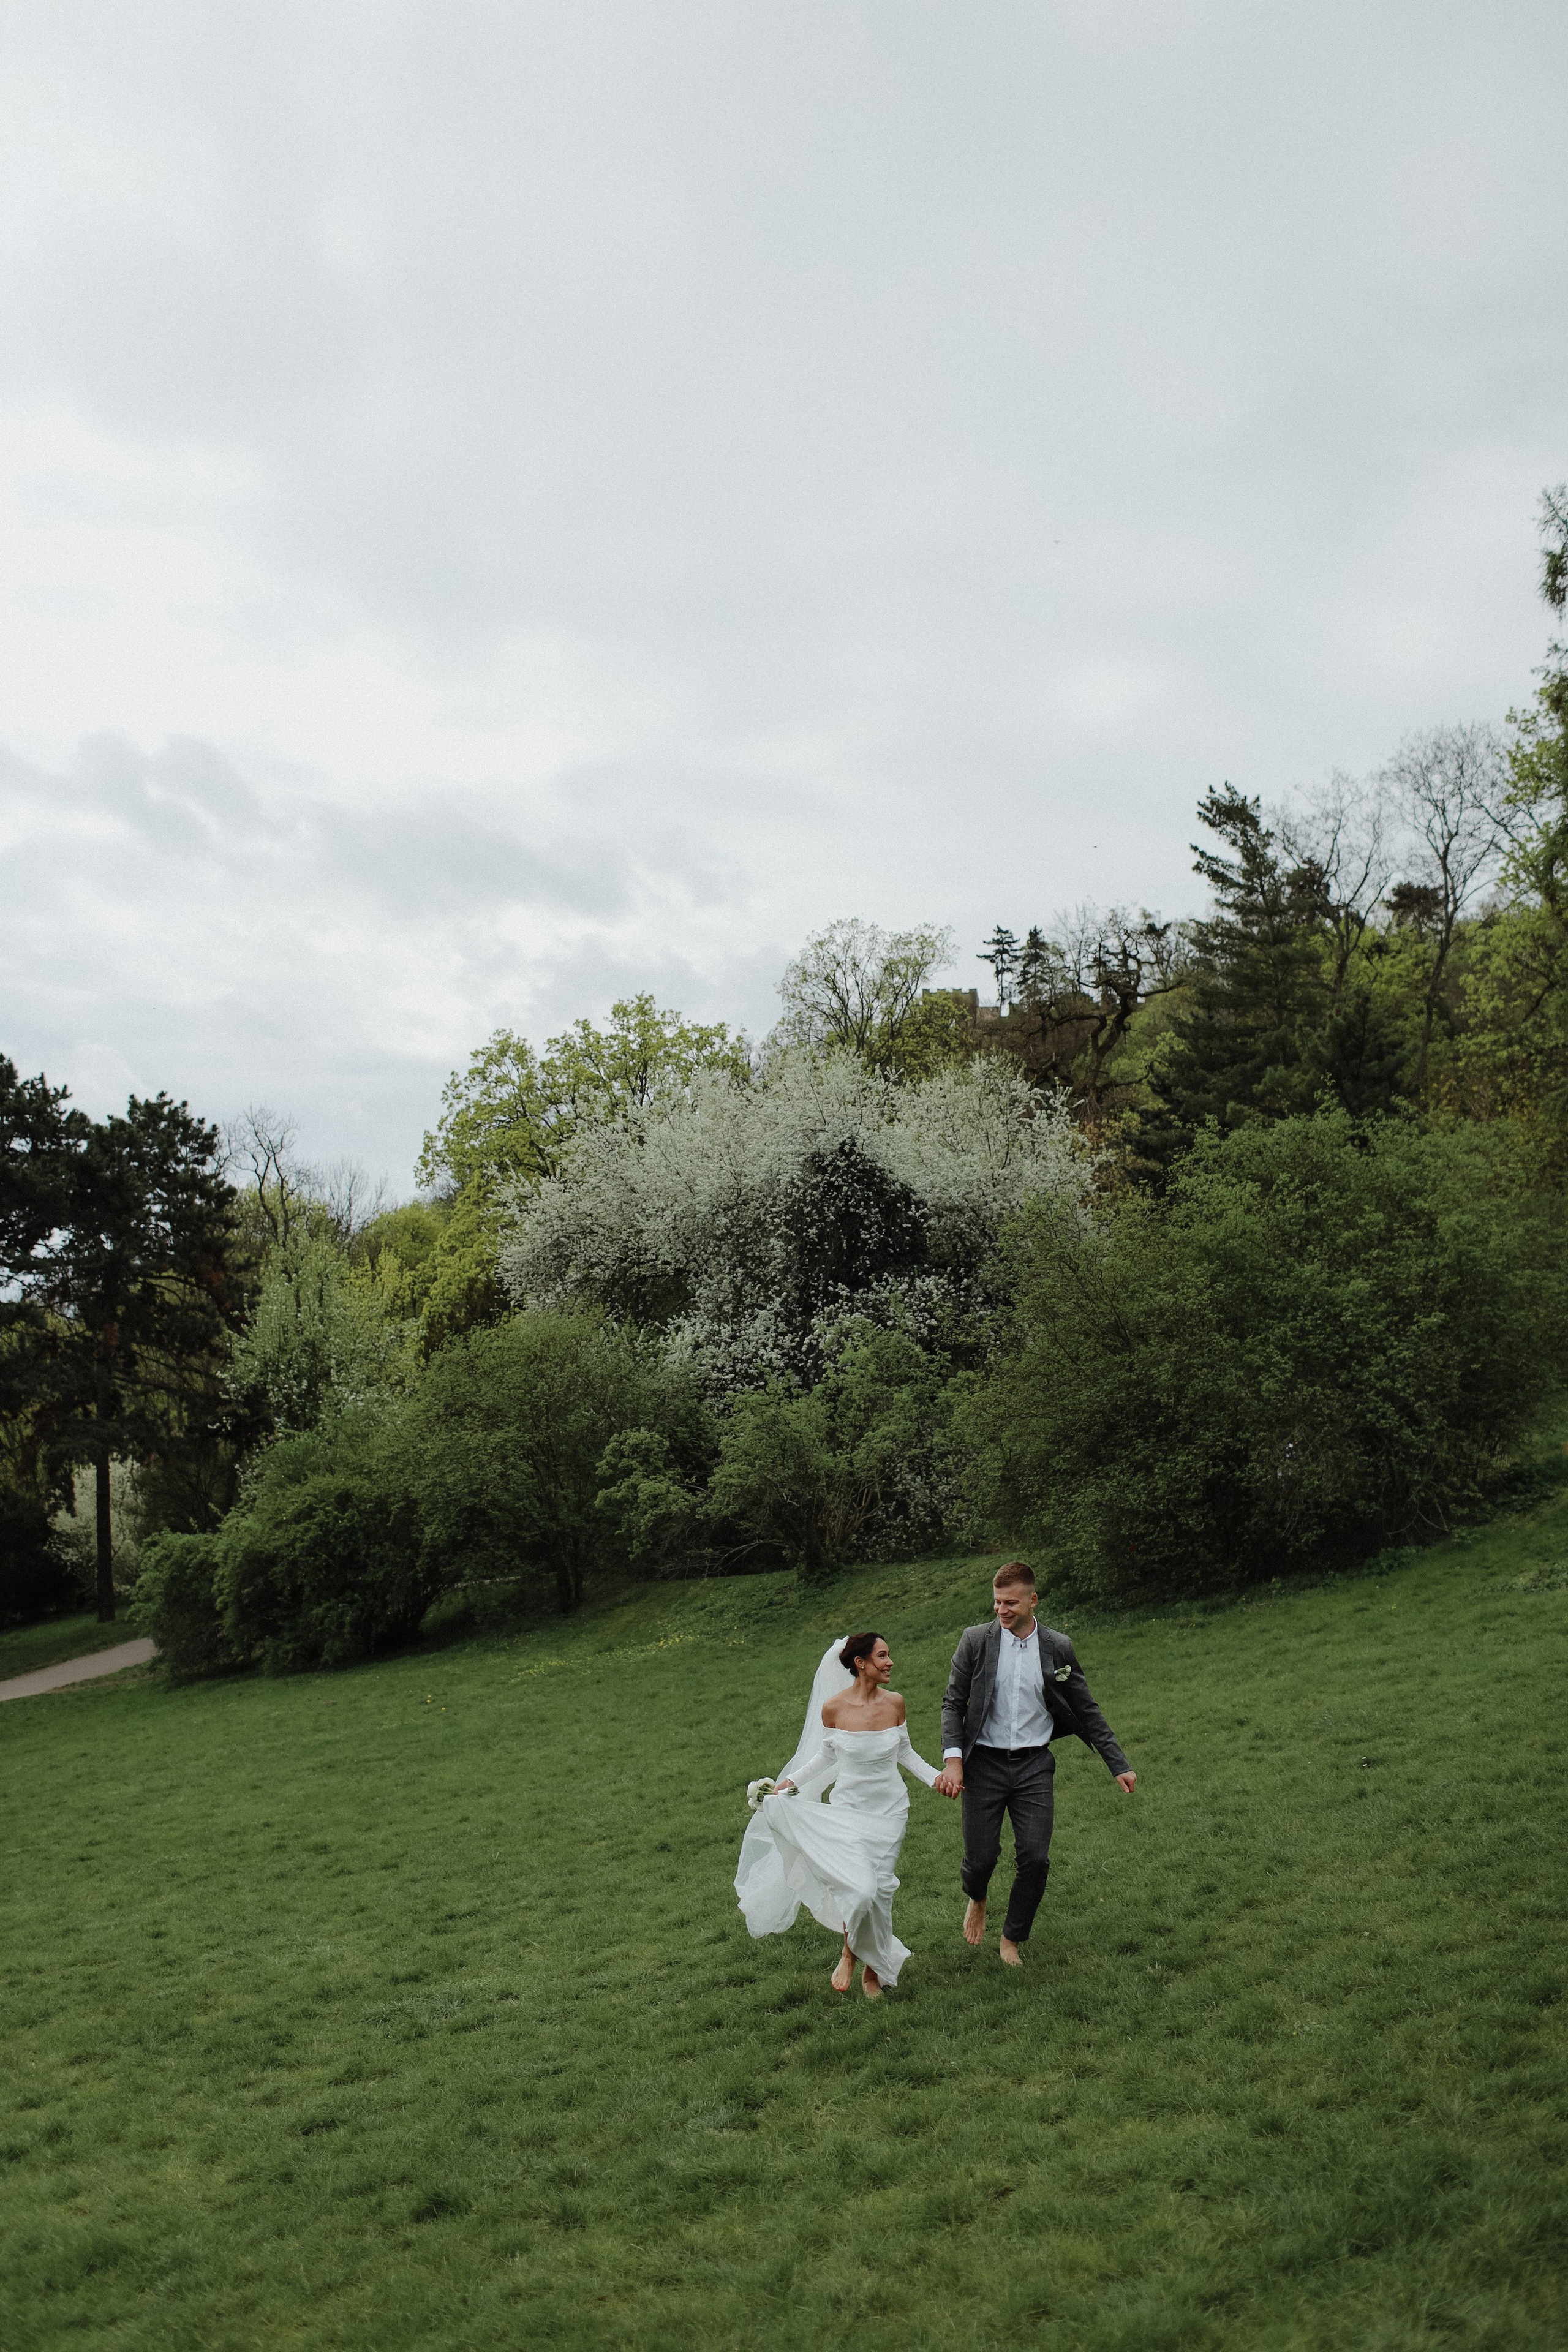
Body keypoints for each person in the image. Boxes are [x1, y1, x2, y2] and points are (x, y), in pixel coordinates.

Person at [734, 1630, 957, 1999]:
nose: (890, 1662)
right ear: (860, 1663)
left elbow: (906, 1753)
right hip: (849, 1811)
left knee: (880, 1891)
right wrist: (787, 1784)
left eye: (889, 1655)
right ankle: (849, 1951)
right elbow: (826, 1756)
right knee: (861, 1887)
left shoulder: (895, 1703)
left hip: (890, 1812)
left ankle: (872, 1972)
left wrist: (939, 1779)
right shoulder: (834, 1708)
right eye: (882, 1656)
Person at [937, 1560, 1135, 1966]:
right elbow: (953, 1704)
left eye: (1011, 1603)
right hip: (983, 1765)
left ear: (1033, 1600)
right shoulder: (975, 1641)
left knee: (1035, 1856)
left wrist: (1118, 1764)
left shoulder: (1058, 1647)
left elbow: (1086, 1707)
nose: (1002, 1610)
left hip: (1033, 1766)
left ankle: (1011, 1937)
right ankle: (977, 1896)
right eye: (997, 1603)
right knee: (980, 1861)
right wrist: (953, 1761)